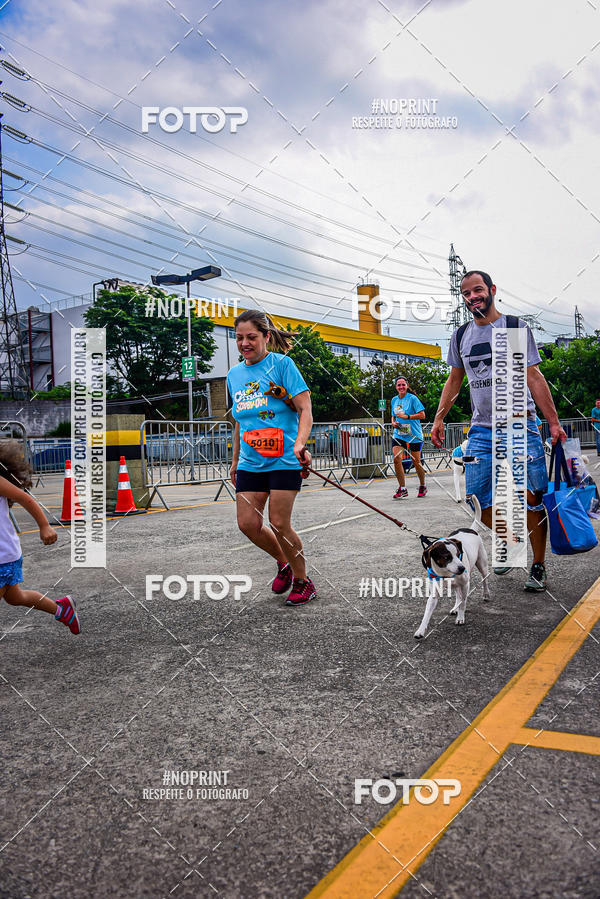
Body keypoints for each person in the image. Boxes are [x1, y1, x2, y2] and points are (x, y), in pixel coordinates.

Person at [431, 270, 567, 592]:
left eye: (478, 290)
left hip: (520, 424)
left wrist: (554, 421)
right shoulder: (461, 335)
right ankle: (512, 539)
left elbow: (534, 376)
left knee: (533, 498)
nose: (472, 297)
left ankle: (537, 565)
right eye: (466, 294)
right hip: (481, 429)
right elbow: (454, 380)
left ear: (492, 290)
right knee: (476, 499)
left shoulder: (514, 327)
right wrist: (438, 419)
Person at [227, 310, 316, 606]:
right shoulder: (234, 375)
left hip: (284, 457)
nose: (244, 343)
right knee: (247, 524)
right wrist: (235, 460)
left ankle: (304, 581)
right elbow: (240, 420)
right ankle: (284, 563)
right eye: (239, 338)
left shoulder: (282, 365)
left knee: (279, 522)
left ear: (266, 337)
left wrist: (300, 444)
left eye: (251, 337)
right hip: (251, 460)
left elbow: (305, 409)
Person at [0, 440, 80, 633]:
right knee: (16, 598)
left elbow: (23, 497)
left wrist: (44, 526)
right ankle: (62, 610)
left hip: (3, 556)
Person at [390, 376, 427, 498]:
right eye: (398, 385)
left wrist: (408, 417)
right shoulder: (394, 400)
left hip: (414, 434)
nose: (401, 387)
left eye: (403, 385)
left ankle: (422, 486)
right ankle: (402, 488)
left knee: (416, 462)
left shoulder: (413, 399)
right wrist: (393, 422)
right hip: (399, 433)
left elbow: (422, 415)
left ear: (407, 386)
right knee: (396, 459)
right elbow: (393, 415)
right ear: (396, 387)